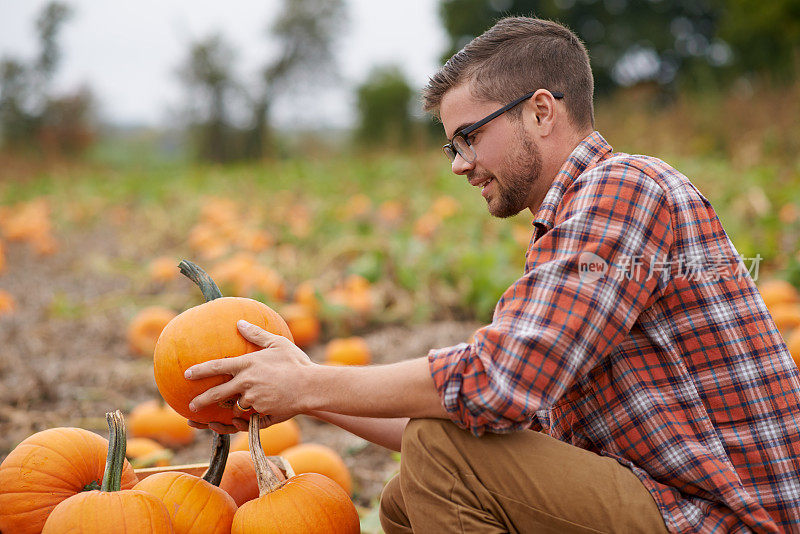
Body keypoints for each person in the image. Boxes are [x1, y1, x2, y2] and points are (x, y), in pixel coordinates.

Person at [184, 17, 800, 533]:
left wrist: (311, 386)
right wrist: (305, 386)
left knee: (439, 455)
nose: (460, 165)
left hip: (726, 517)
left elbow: (498, 381)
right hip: (667, 501)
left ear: (539, 112)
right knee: (404, 498)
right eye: (453, 145)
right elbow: (489, 411)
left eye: (469, 138)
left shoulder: (626, 188)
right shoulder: (570, 229)